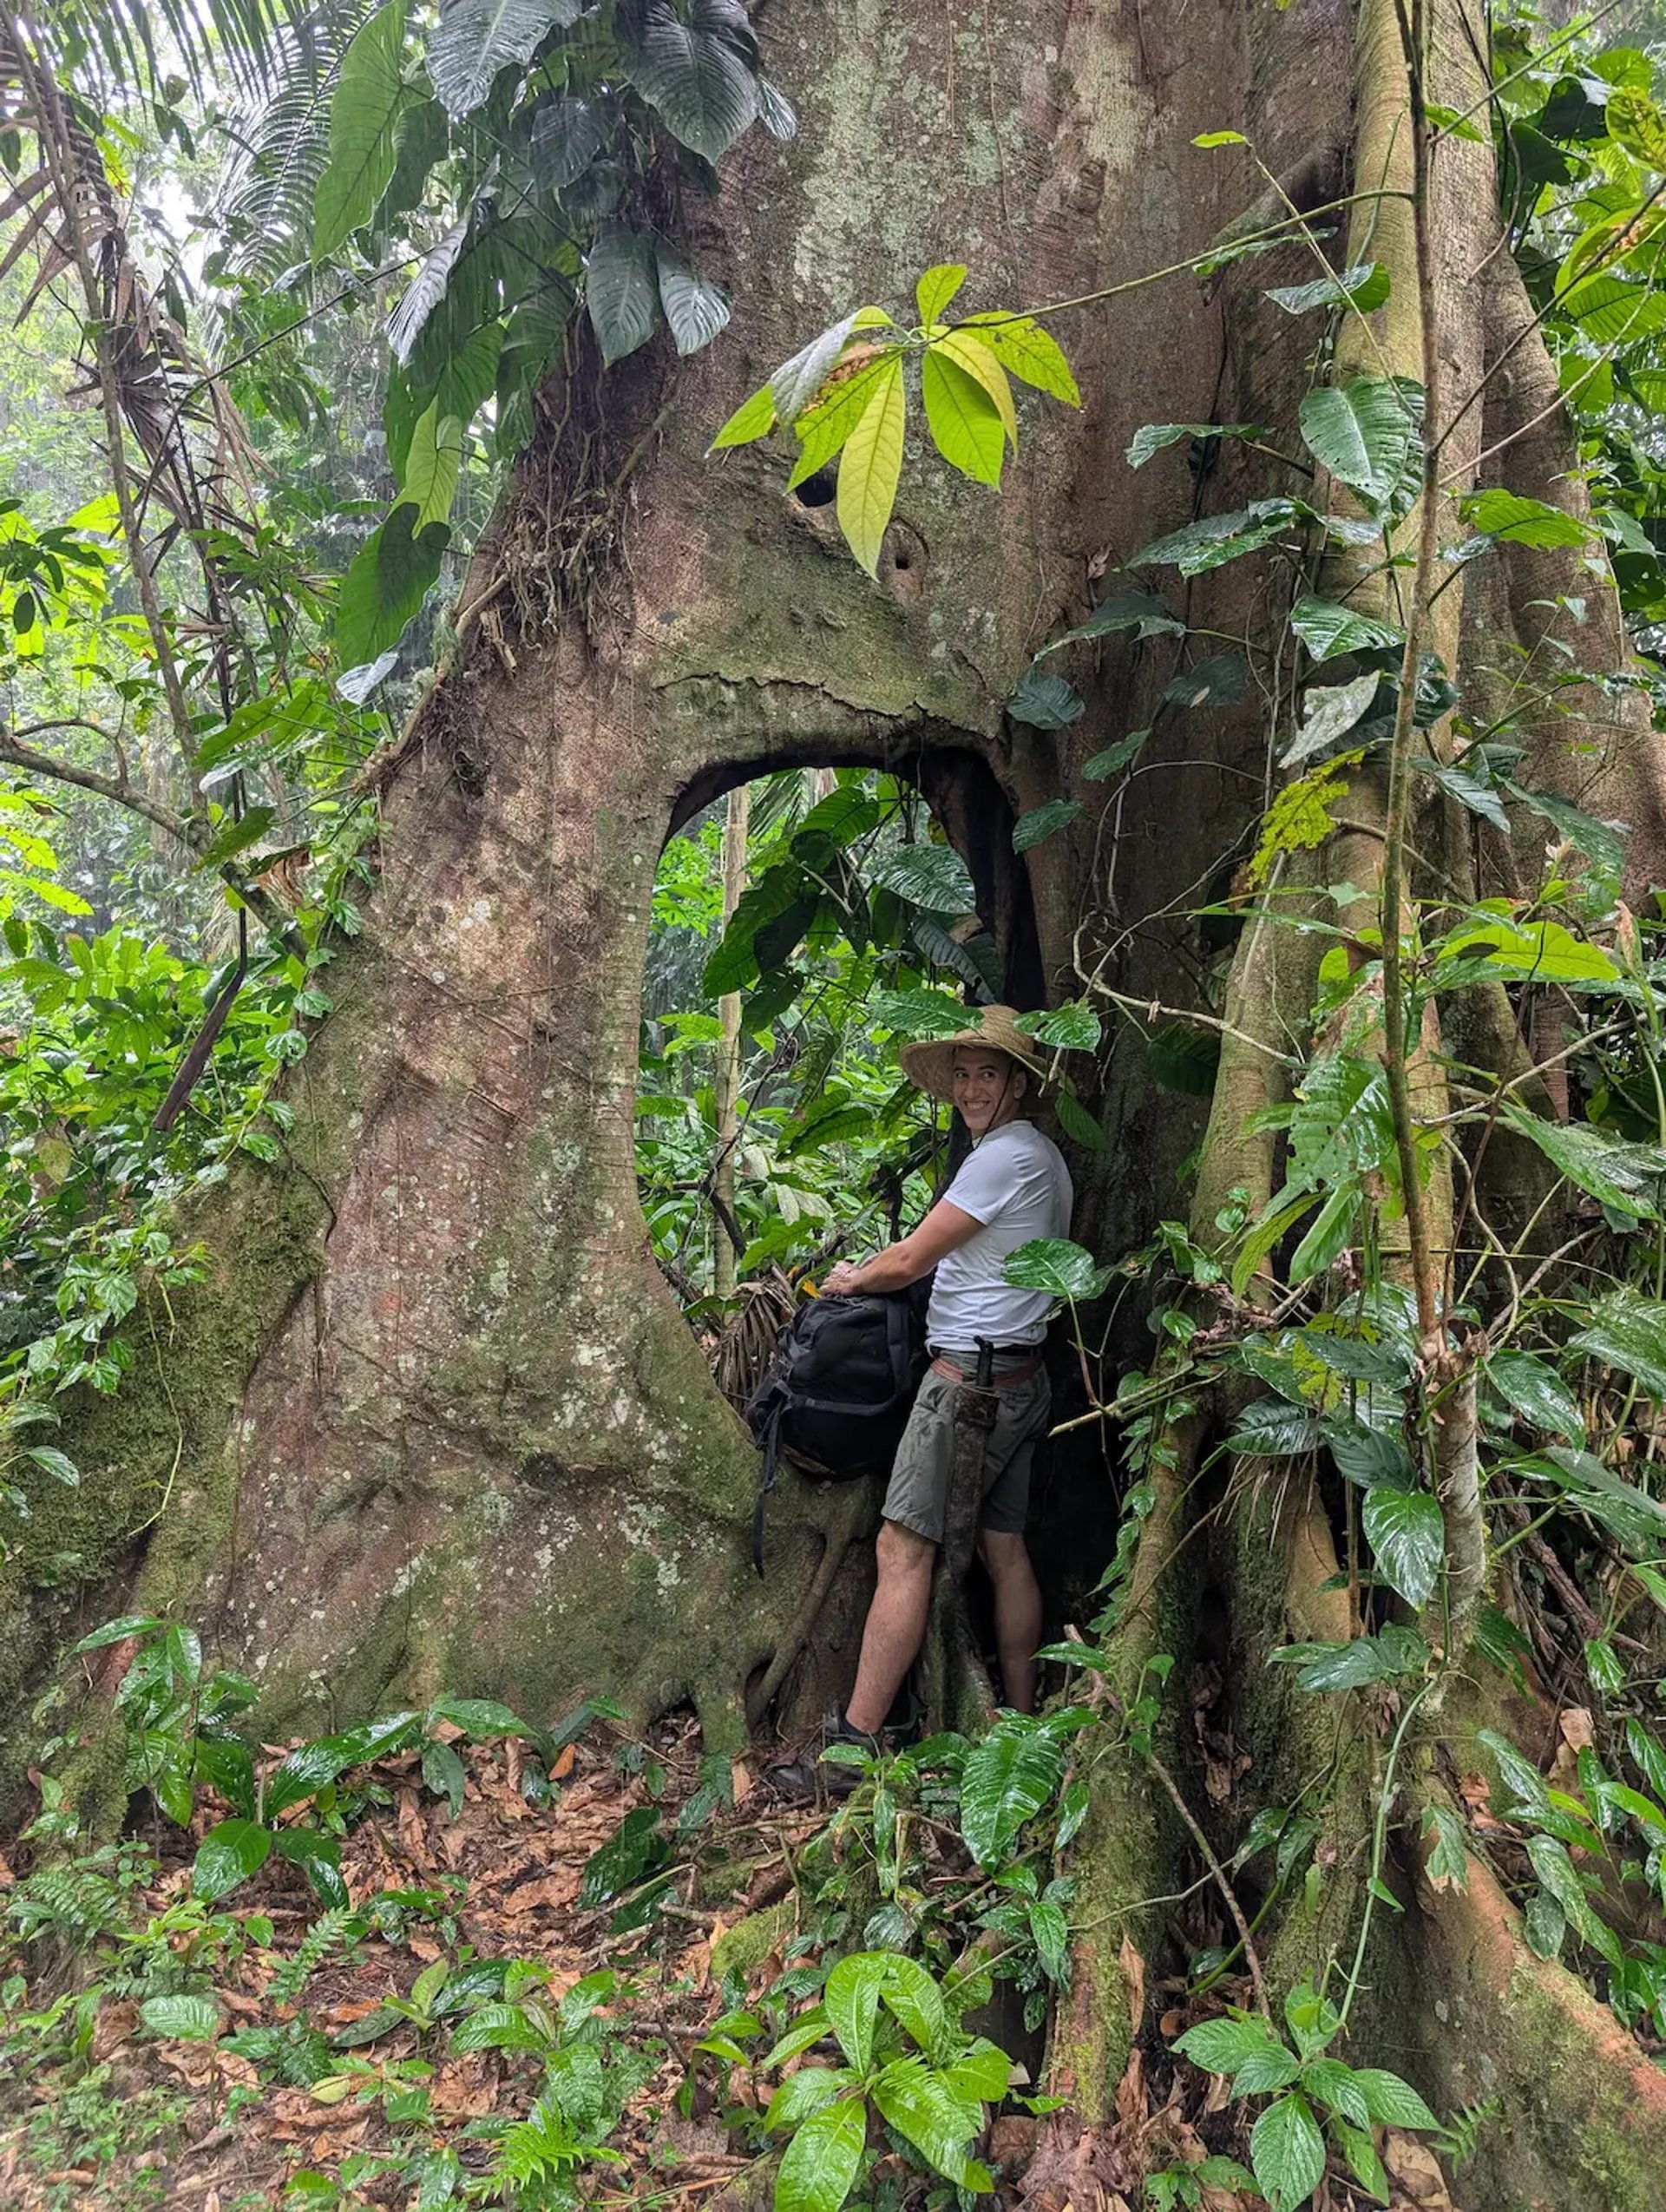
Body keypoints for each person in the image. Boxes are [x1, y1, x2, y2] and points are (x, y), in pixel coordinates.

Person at [819, 1004, 1073, 1749]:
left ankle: (855, 1739)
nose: (969, 1090)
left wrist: (851, 1280)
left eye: (986, 1074)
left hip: (968, 1387)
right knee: (1006, 1549)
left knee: (901, 1547)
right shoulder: (1045, 1158)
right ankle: (1019, 1719)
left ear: (1019, 1083)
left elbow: (909, 1260)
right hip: (1022, 1379)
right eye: (961, 1076)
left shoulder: (1000, 1158)